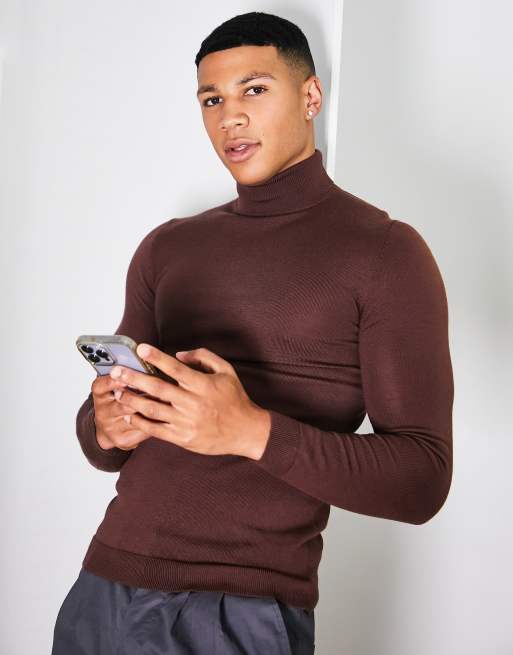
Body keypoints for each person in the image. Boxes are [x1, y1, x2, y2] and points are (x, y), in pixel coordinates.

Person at [52, 10, 454, 655]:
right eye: (211, 99)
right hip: (104, 588)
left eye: (255, 90)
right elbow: (102, 444)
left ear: (311, 96)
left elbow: (422, 478)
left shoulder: (385, 252)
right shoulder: (168, 247)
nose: (229, 118)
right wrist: (106, 424)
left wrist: (250, 432)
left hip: (241, 609)